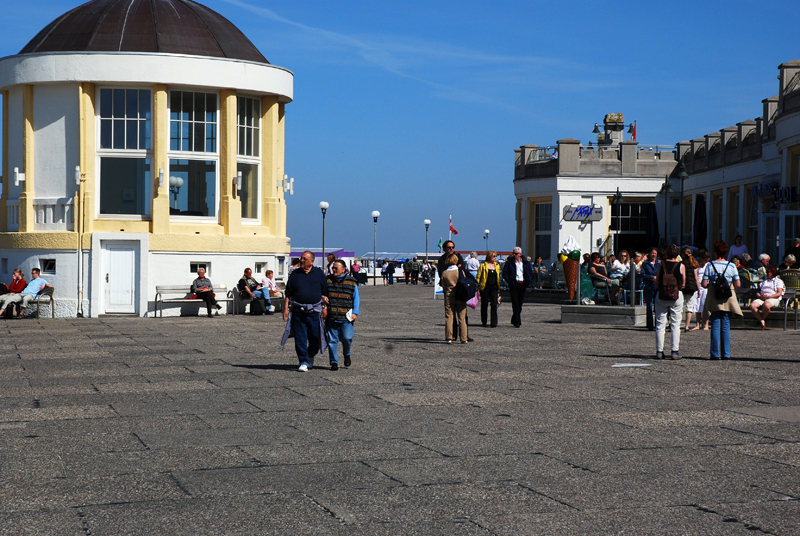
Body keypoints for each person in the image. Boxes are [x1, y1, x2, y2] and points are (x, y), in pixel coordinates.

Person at [281, 251, 328, 372]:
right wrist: (285, 309)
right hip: (298, 310)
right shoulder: (295, 274)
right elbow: (288, 293)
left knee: (315, 336)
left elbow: (325, 292)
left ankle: (310, 355)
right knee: (300, 337)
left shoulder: (319, 273)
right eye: (301, 258)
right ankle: (303, 361)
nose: (301, 261)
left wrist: (325, 308)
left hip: (314, 311)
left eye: (304, 259)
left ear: (311, 261)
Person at [702, 240, 742, 360]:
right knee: (725, 325)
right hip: (727, 298)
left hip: (714, 298)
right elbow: (738, 284)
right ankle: (726, 353)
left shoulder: (710, 265)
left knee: (715, 324)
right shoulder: (731, 266)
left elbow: (704, 284)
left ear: (715, 252)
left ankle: (714, 353)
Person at [325, 259, 359, 370]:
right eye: (333, 268)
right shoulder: (328, 280)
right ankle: (334, 362)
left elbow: (356, 298)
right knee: (332, 339)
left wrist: (355, 312)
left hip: (346, 316)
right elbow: (322, 294)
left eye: (336, 268)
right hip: (331, 315)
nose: (333, 270)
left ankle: (347, 353)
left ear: (343, 269)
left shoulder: (352, 282)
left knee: (347, 337)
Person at [654, 244, 686, 360]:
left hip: (662, 295)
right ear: (677, 254)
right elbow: (683, 284)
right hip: (676, 296)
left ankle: (659, 351)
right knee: (675, 324)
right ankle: (674, 351)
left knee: (660, 324)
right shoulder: (681, 265)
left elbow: (657, 280)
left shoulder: (661, 264)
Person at [440, 253, 471, 343]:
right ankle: (464, 338)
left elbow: (444, 286)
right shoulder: (460, 271)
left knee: (449, 317)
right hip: (460, 296)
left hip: (449, 296)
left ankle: (449, 337)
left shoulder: (445, 273)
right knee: (462, 317)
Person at [501, 247, 534, 328]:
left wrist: (528, 281)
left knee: (520, 303)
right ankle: (517, 322)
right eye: (513, 253)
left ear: (520, 254)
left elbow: (530, 272)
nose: (514, 255)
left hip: (522, 284)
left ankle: (514, 318)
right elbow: (504, 273)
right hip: (514, 284)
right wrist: (510, 281)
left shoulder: (525, 263)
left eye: (516, 254)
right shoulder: (510, 263)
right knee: (515, 303)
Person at [750, 265, 784, 330]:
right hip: (763, 297)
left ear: (773, 273)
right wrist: (760, 296)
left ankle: (762, 318)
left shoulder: (779, 281)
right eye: (767, 271)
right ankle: (762, 321)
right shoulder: (764, 281)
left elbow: (779, 293)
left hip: (773, 298)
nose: (768, 273)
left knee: (766, 305)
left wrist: (769, 296)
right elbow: (758, 291)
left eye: (769, 272)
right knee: (752, 305)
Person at [477, 250, 501, 328]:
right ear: (489, 256)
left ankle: (493, 322)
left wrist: (499, 287)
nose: (495, 258)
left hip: (494, 287)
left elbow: (498, 276)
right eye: (493, 256)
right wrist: (477, 286)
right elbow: (478, 276)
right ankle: (484, 321)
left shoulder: (497, 265)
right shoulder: (483, 265)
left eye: (496, 256)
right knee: (484, 304)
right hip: (485, 287)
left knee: (494, 304)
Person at [680, 247, 700, 332]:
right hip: (692, 287)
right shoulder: (694, 263)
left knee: (680, 306)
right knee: (689, 307)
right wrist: (699, 289)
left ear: (682, 254)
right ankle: (687, 326)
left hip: (682, 287)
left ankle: (677, 324)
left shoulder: (682, 263)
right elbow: (696, 278)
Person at [641, 247, 660, 330]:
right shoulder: (645, 264)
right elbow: (642, 274)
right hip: (648, 285)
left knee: (657, 306)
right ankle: (649, 325)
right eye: (652, 253)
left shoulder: (659, 263)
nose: (653, 255)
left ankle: (657, 324)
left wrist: (657, 278)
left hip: (657, 286)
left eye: (655, 253)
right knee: (649, 305)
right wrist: (651, 277)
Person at [693, 250, 711, 331]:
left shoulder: (709, 266)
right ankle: (697, 324)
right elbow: (695, 277)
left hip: (706, 287)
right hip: (698, 287)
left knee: (705, 306)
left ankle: (706, 324)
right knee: (698, 306)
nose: (706, 261)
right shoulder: (697, 266)